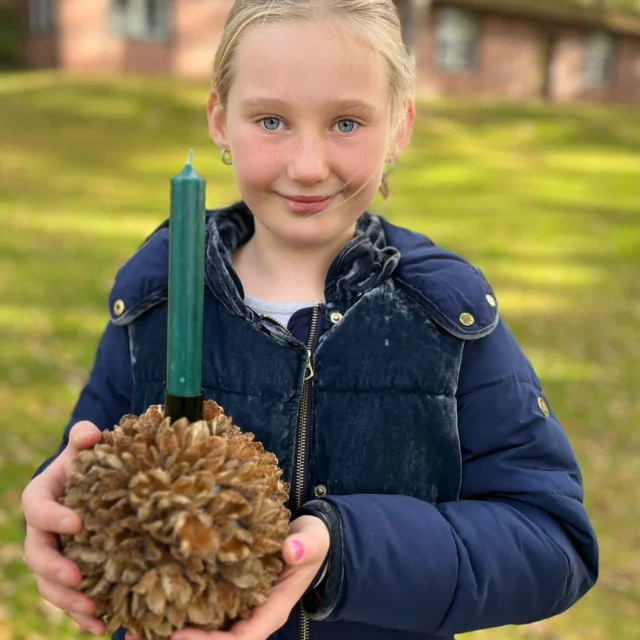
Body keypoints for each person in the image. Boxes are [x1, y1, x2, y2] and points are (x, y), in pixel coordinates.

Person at [21, 1, 598, 640]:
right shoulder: (156, 296)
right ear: (219, 119)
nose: (307, 165)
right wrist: (58, 520)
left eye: (347, 122)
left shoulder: (446, 315)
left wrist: (345, 551)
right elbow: (89, 477)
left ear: (400, 127)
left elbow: (552, 543)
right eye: (271, 120)